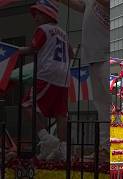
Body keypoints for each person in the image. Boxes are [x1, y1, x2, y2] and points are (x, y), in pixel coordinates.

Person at [19, 0, 73, 160]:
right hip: (63, 77)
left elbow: (33, 48)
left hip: (47, 73)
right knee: (60, 113)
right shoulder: (63, 33)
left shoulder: (42, 29)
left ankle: (46, 138)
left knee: (27, 103)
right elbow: (70, 53)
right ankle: (62, 149)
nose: (35, 17)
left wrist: (17, 51)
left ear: (47, 14)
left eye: (38, 14)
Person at [59, 0, 109, 161]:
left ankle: (115, 147)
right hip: (94, 57)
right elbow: (82, 6)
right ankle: (105, 149)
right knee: (101, 106)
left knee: (112, 104)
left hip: (108, 54)